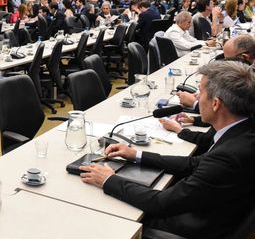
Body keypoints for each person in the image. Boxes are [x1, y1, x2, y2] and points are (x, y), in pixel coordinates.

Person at [79, 60, 255, 239]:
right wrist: (136, 155)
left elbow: (160, 203)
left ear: (216, 104)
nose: (195, 98)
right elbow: (194, 163)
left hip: (192, 228)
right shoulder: (244, 131)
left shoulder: (230, 156)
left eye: (200, 93)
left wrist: (109, 180)